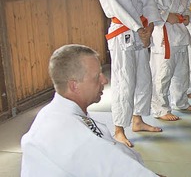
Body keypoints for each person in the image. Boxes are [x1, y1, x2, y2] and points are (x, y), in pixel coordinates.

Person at [20, 44, 161, 177]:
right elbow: (118, 170)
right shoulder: (66, 131)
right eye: (96, 77)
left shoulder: (60, 114)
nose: (104, 80)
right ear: (74, 86)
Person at [94, 0, 163, 147]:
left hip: (141, 31)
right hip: (123, 33)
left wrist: (150, 25)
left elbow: (148, 0)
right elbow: (119, 5)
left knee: (144, 77)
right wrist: (139, 28)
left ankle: (138, 119)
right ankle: (118, 128)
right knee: (124, 80)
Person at [147, 0, 191, 121]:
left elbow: (186, 5)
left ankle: (180, 101)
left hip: (180, 33)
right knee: (163, 74)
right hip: (164, 34)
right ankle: (160, 108)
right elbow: (148, 8)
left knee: (182, 71)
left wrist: (187, 16)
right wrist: (168, 16)